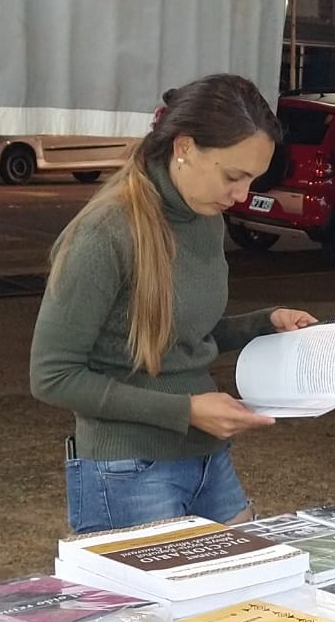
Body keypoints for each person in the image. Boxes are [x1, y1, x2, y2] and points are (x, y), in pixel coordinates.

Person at [30, 73, 319, 534]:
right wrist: (185, 410)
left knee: (242, 588)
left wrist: (264, 324)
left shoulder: (204, 216)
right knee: (165, 606)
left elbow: (180, 336)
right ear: (184, 148)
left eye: (253, 180)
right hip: (126, 467)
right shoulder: (105, 233)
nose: (242, 195)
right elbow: (52, 376)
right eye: (233, 176)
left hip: (205, 454)